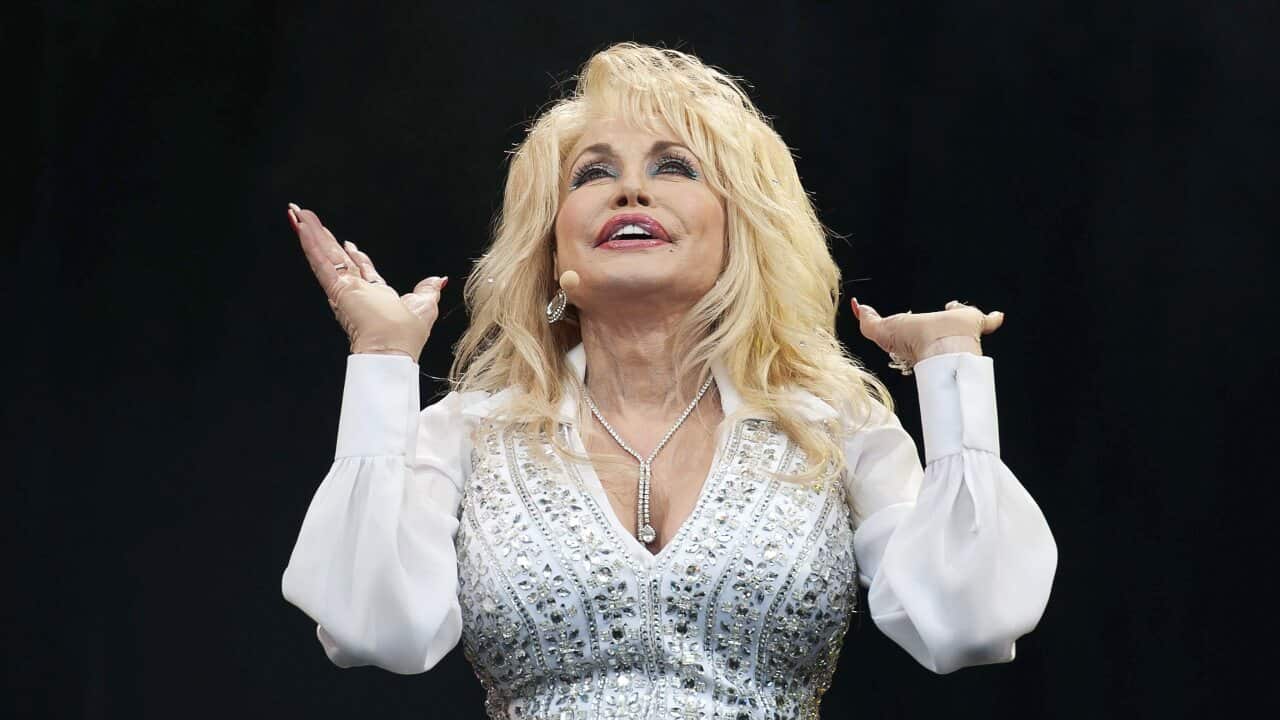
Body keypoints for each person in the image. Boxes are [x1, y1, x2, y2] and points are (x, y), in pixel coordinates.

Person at [281, 42, 1056, 719]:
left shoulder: (829, 422)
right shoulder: (472, 429)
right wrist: (381, 357)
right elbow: (374, 629)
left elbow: (968, 623)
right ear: (552, 249)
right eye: (594, 173)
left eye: (673, 167)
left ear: (738, 231)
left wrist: (952, 370)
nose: (631, 191)